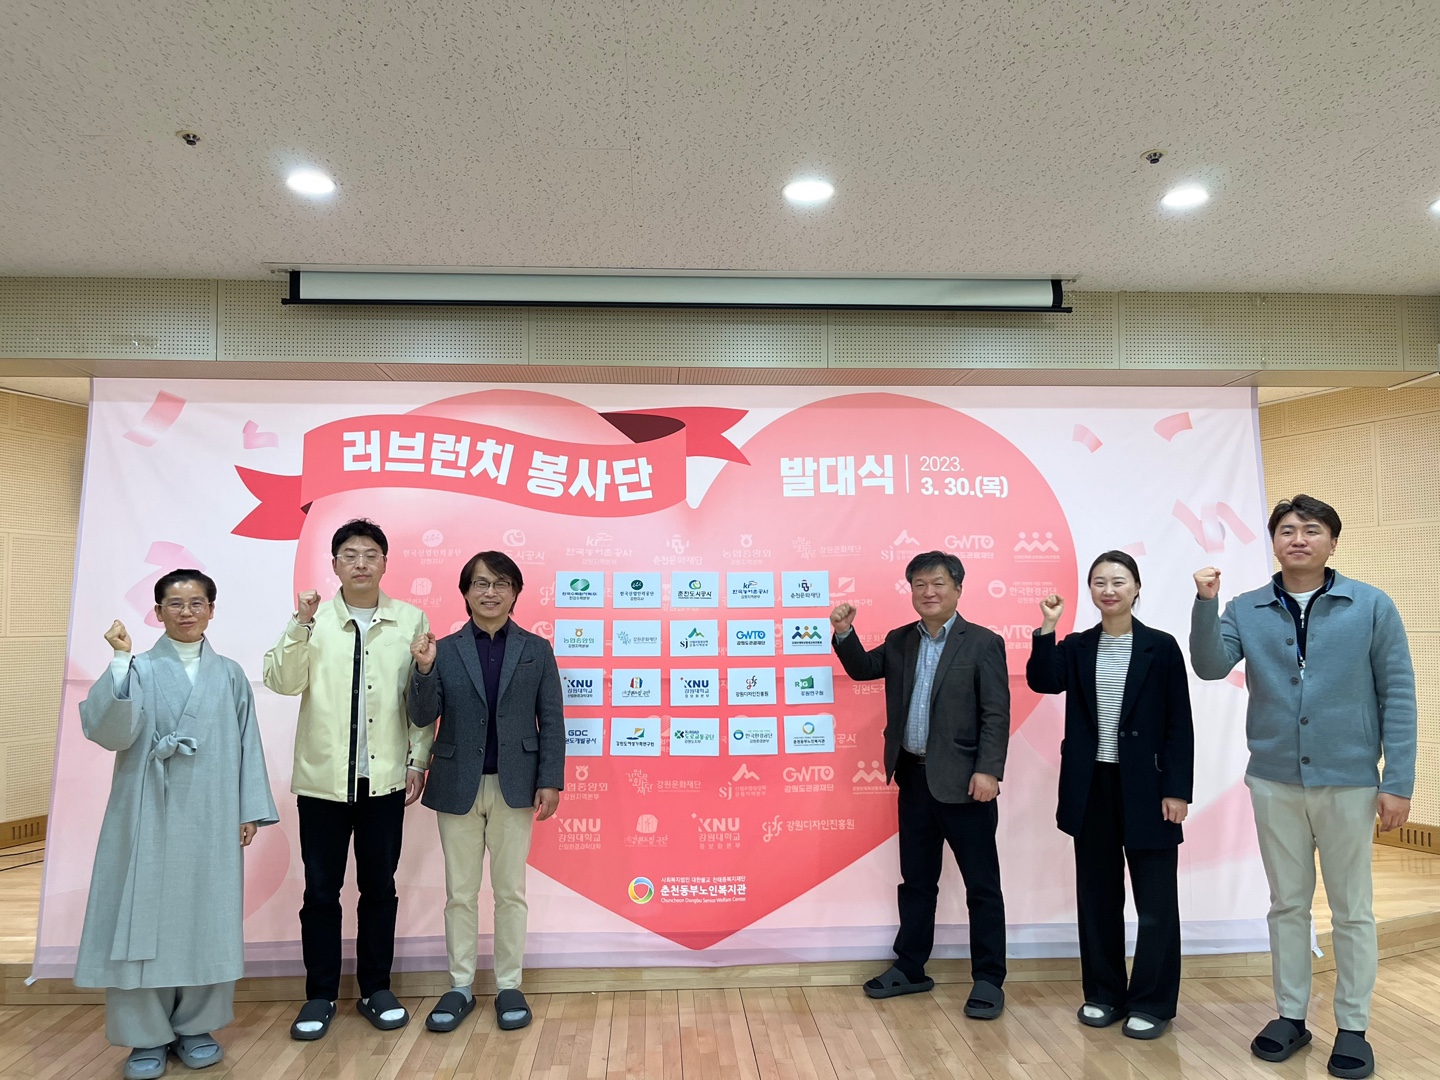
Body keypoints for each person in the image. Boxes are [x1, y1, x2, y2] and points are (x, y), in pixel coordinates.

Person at [1191, 494, 1415, 1080]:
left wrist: (1397, 781)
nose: (1298, 539)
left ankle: (1353, 1025)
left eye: (1311, 530)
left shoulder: (1370, 605)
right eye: (1287, 530)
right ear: (1274, 542)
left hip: (1349, 780)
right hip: (1275, 780)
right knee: (1287, 904)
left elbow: (1398, 695)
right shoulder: (1246, 607)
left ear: (1332, 542)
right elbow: (1210, 665)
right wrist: (1205, 604)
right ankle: (1291, 1015)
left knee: (1352, 909)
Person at [76, 570, 277, 1080]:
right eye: (175, 603)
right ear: (158, 611)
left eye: (196, 602)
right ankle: (145, 1034)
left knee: (208, 916)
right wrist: (119, 660)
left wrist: (247, 808)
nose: (186, 612)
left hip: (213, 810)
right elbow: (110, 732)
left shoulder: (229, 674)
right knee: (141, 915)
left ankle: (197, 1026)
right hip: (146, 808)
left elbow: (247, 742)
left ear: (211, 609)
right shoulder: (139, 667)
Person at [262, 519, 432, 1039]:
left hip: (383, 781)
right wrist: (300, 624)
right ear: (334, 563)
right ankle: (320, 995)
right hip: (323, 783)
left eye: (371, 554)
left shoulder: (409, 620)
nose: (361, 563)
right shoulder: (313, 620)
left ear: (385, 562)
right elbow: (281, 681)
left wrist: (417, 760)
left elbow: (420, 698)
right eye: (350, 554)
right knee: (320, 891)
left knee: (379, 888)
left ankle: (376, 989)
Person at [830, 550, 1010, 1018]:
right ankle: (910, 967)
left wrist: (989, 770)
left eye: (938, 584)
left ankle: (988, 978)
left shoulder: (983, 643)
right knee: (916, 882)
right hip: (913, 778)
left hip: (966, 784)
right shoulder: (900, 640)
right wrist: (845, 633)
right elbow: (863, 669)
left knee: (982, 886)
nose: (928, 593)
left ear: (958, 589)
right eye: (919, 585)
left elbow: (995, 713)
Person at [1025, 551, 1194, 1039]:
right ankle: (1104, 994)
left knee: (1156, 903)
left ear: (1136, 588)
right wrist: (1047, 627)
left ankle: (1153, 1002)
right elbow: (1043, 679)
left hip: (1150, 788)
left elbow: (1179, 723)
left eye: (1119, 581)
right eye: (1099, 582)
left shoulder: (1161, 647)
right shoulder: (1078, 646)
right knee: (1097, 897)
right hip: (1092, 786)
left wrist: (1177, 789)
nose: (1109, 590)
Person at [408, 550, 565, 1033]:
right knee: (460, 893)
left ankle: (509, 985)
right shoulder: (444, 649)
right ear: (465, 592)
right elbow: (421, 715)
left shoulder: (536, 650)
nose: (490, 592)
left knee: (510, 892)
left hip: (516, 786)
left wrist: (550, 779)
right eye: (480, 583)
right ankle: (459, 986)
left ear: (515, 592)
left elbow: (552, 719)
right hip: (457, 783)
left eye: (500, 583)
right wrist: (424, 670)